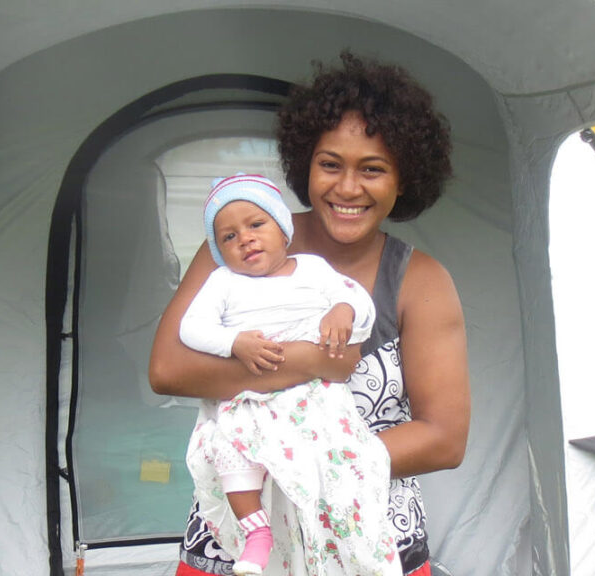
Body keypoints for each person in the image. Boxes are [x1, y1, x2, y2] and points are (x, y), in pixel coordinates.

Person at [150, 51, 470, 576]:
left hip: (366, 536)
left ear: (405, 179)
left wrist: (309, 463)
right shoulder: (239, 245)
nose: (347, 188)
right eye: (330, 165)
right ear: (304, 165)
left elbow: (444, 437)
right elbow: (167, 370)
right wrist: (310, 361)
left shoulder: (421, 280)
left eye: (372, 169)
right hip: (241, 539)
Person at [179, 173, 401, 576]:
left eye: (256, 225)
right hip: (251, 395)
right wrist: (234, 343)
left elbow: (358, 302)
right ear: (219, 252)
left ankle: (348, 547)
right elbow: (190, 328)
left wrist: (342, 311)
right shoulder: (223, 283)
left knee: (340, 467)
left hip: (313, 397)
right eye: (228, 237)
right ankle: (256, 531)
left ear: (283, 231)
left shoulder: (313, 270)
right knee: (227, 446)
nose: (244, 239)